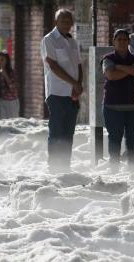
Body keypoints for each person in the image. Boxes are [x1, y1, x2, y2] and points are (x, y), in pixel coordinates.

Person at [41, 9, 83, 172]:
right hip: (57, 93)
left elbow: (79, 65)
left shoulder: (72, 42)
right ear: (56, 22)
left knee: (68, 133)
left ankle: (65, 166)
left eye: (69, 21)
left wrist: (78, 85)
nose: (67, 24)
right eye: (63, 20)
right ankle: (54, 167)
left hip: (72, 94)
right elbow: (53, 66)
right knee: (57, 131)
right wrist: (73, 83)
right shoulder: (49, 40)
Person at [102, 29, 134, 168]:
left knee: (133, 139)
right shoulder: (108, 59)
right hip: (113, 106)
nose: (122, 42)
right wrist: (129, 70)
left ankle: (133, 168)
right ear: (114, 42)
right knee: (114, 139)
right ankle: (114, 168)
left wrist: (119, 67)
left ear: (129, 41)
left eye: (125, 40)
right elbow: (111, 75)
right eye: (119, 40)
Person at [0, 51, 20, 119]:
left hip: (12, 101)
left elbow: (13, 89)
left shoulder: (11, 72)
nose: (0, 62)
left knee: (12, 122)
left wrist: (5, 75)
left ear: (7, 61)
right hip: (2, 100)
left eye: (2, 60)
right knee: (3, 123)